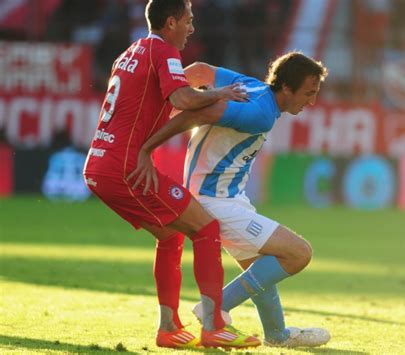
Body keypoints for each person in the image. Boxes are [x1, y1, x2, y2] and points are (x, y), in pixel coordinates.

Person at [83, 0, 261, 349]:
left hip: (100, 164)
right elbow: (181, 97)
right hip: (125, 168)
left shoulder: (132, 51)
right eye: (188, 20)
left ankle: (168, 327)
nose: (192, 28)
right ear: (170, 22)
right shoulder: (164, 51)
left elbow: (162, 102)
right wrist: (221, 93)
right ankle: (213, 326)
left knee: (170, 235)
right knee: (206, 227)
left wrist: (145, 147)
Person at [129, 52, 331, 347]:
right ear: (287, 88)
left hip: (228, 199)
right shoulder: (261, 113)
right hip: (213, 202)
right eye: (308, 93)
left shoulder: (250, 86)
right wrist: (150, 142)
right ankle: (215, 310)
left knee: (260, 269)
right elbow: (202, 114)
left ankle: (278, 335)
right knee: (299, 253)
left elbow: (199, 70)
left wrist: (162, 98)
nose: (311, 101)